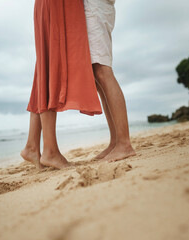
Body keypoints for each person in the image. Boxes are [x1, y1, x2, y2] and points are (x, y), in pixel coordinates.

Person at [20, 0, 103, 169]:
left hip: (56, 5)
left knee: (46, 65)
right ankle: (50, 150)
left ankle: (32, 145)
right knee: (51, 65)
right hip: (58, 5)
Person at [84, 0, 136, 162]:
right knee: (98, 76)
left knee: (102, 70)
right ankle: (116, 141)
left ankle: (124, 143)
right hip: (97, 6)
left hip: (95, 6)